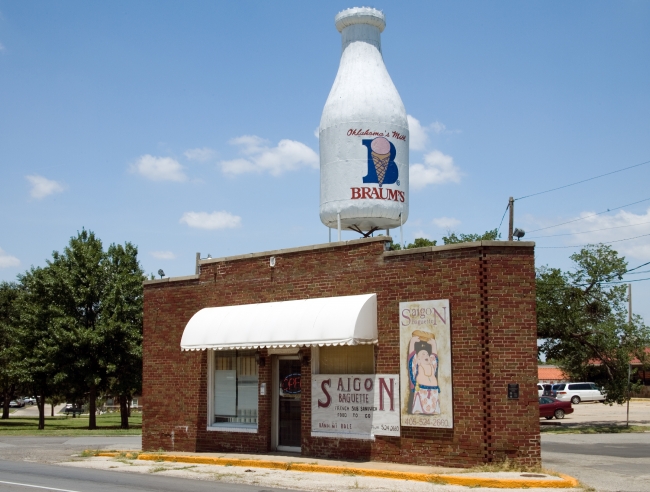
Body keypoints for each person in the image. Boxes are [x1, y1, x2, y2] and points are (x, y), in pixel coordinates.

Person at [407, 332, 440, 415]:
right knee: (420, 400)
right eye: (423, 354)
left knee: (434, 399)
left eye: (427, 354)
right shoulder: (418, 364)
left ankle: (435, 409)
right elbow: (411, 357)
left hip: (433, 389)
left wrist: (433, 344)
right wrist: (412, 342)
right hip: (421, 389)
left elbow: (434, 356)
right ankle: (418, 409)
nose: (426, 355)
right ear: (418, 359)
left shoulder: (432, 364)